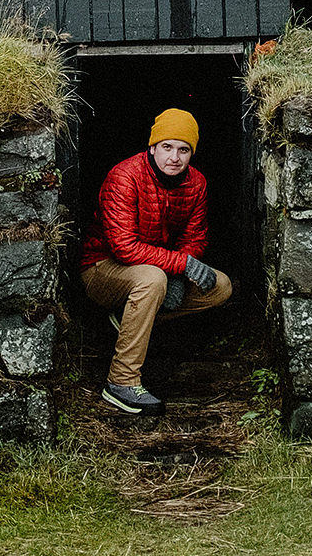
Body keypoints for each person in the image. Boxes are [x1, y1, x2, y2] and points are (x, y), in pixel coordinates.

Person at [79, 107, 233, 416]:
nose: (174, 157)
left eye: (183, 149)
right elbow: (124, 248)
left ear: (191, 154)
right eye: (167, 147)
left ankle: (129, 317)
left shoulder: (197, 183)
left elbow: (195, 237)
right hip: (101, 269)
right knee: (152, 280)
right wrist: (180, 267)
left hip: (158, 269)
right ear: (152, 147)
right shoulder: (124, 176)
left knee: (221, 286)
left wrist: (180, 270)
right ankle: (120, 383)